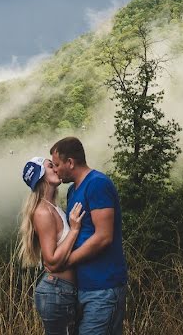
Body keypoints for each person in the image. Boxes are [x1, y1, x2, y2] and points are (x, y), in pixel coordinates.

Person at [51, 137, 128, 335]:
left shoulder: (97, 184)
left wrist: (66, 262)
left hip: (104, 287)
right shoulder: (71, 191)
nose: (56, 169)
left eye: (58, 164)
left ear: (70, 162)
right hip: (82, 287)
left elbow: (103, 237)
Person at [18, 156, 86, 335]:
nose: (56, 168)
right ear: (41, 176)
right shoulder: (43, 212)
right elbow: (52, 260)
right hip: (57, 292)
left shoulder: (54, 207)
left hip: (63, 291)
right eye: (51, 166)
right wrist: (74, 230)